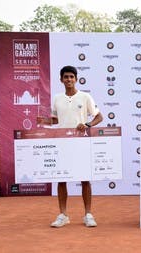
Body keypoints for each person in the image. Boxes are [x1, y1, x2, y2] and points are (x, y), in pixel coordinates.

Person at [37, 65, 103, 227]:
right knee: (61, 179)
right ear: (61, 80)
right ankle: (63, 215)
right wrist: (44, 121)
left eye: (71, 77)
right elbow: (56, 120)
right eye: (66, 77)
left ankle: (88, 214)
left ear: (76, 79)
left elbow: (99, 117)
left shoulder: (85, 97)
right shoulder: (57, 98)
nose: (69, 80)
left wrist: (87, 124)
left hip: (81, 142)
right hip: (62, 143)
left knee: (85, 179)